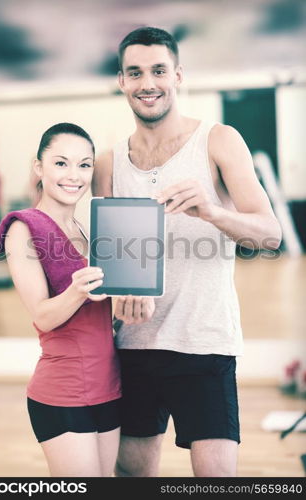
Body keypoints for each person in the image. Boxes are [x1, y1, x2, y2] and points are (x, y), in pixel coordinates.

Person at [92, 27, 282, 477]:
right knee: (133, 476)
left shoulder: (219, 140)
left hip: (204, 343)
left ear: (177, 75)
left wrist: (213, 212)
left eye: (158, 70)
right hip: (133, 347)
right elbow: (107, 260)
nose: (147, 83)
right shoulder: (108, 162)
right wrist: (115, 290)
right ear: (122, 81)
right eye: (135, 73)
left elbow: (270, 234)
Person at [0, 122, 122, 477]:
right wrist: (78, 291)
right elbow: (43, 316)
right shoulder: (24, 227)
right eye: (61, 163)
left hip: (109, 386)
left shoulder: (86, 229)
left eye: (84, 164)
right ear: (39, 168)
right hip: (63, 392)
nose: (74, 175)